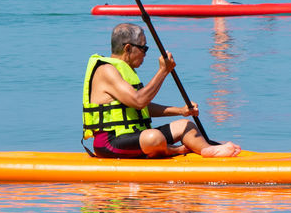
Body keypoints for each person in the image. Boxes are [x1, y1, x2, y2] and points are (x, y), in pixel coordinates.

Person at [82, 23, 240, 158]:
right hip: (110, 142)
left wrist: (180, 111)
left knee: (186, 125)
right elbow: (138, 101)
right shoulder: (106, 70)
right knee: (154, 137)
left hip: (136, 136)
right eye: (143, 48)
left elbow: (143, 108)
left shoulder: (125, 70)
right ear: (128, 48)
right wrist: (163, 71)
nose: (145, 54)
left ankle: (208, 150)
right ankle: (173, 150)